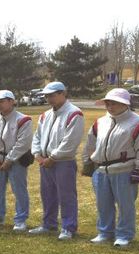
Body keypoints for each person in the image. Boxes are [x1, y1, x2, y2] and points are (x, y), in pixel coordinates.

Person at [82, 88, 139, 247]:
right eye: (108, 103)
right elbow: (90, 143)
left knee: (125, 204)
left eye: (114, 103)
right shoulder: (100, 122)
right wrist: (88, 161)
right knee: (103, 203)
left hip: (124, 170)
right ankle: (105, 232)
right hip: (101, 170)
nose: (110, 106)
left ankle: (124, 234)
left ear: (125, 104)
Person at [29, 81, 84, 240]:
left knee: (66, 195)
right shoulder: (45, 115)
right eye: (47, 96)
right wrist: (37, 154)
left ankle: (68, 227)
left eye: (52, 95)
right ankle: (49, 223)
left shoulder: (74, 113)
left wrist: (53, 157)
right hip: (44, 161)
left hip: (63, 162)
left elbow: (70, 141)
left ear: (63, 93)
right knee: (47, 194)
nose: (49, 99)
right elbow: (37, 136)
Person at [0, 90, 33, 231]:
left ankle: (21, 219)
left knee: (19, 190)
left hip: (16, 160)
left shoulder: (23, 120)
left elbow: (23, 143)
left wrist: (9, 160)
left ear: (12, 101)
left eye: (2, 101)